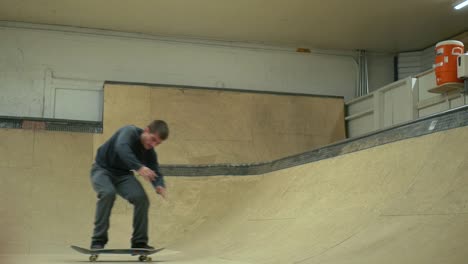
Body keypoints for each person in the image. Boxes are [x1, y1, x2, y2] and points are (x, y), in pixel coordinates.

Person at [89, 120, 169, 249]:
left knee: (142, 199)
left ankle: (139, 242)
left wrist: (159, 185)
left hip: (123, 175)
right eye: (153, 139)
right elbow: (121, 147)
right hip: (102, 170)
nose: (153, 144)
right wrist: (139, 167)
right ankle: (98, 240)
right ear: (146, 130)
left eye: (157, 143)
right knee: (108, 193)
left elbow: (155, 170)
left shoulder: (150, 152)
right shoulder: (129, 132)